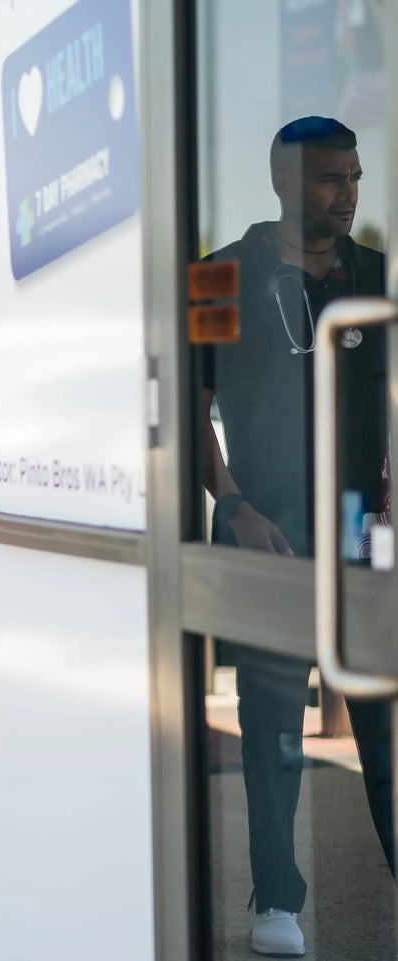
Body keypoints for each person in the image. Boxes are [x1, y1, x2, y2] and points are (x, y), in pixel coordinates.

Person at [202, 116, 394, 959]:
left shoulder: (375, 276)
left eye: (352, 176)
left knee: (385, 724)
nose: (347, 193)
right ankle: (276, 898)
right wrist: (234, 506)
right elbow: (180, 405)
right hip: (268, 534)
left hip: (360, 538)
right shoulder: (216, 279)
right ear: (282, 181)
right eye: (328, 179)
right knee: (272, 726)